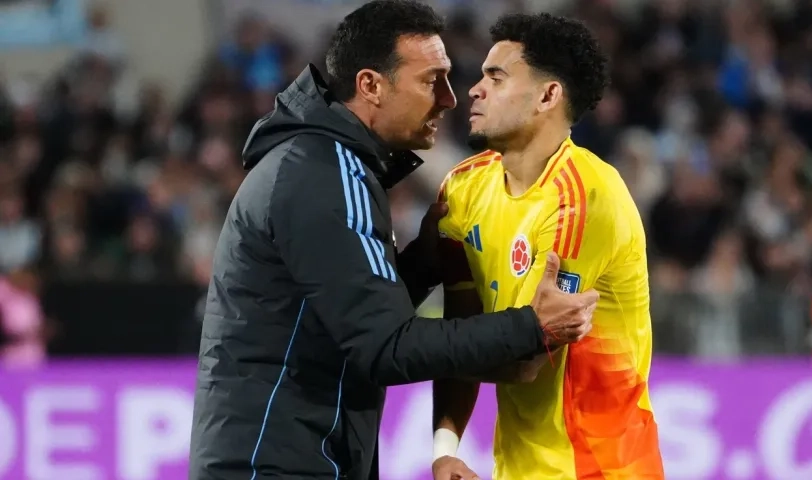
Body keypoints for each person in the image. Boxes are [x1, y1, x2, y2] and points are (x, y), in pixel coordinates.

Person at [188, 2, 600, 479]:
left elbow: (343, 313)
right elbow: (384, 346)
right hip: (278, 465)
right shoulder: (325, 175)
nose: (450, 98)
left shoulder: (321, 164)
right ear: (371, 86)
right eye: (432, 80)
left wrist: (425, 262)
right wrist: (531, 326)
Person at [431, 13, 665, 480]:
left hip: (599, 471)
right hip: (514, 469)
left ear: (547, 95)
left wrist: (397, 351)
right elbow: (462, 325)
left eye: (495, 77)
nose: (474, 89)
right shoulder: (463, 189)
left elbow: (523, 360)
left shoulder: (586, 197)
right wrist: (445, 448)